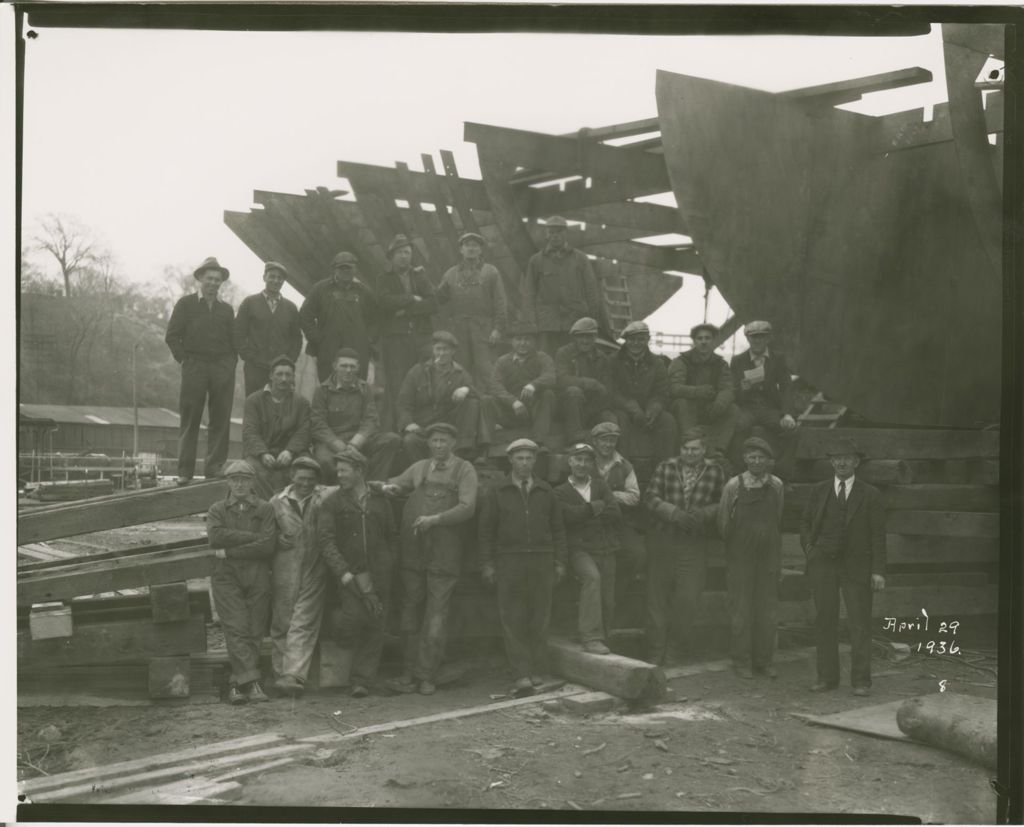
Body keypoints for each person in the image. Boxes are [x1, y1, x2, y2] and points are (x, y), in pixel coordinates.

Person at [378, 422, 478, 695]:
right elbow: (397, 483)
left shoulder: (464, 469)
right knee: (410, 609)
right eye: (434, 441)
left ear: (453, 443)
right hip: (414, 551)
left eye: (443, 441)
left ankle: (427, 675)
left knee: (437, 614)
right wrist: (387, 488)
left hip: (444, 553)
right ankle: (409, 673)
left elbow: (468, 508)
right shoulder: (420, 467)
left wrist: (435, 520)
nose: (438, 446)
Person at [478, 438, 567, 696]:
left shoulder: (546, 490)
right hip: (509, 561)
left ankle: (538, 670)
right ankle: (521, 673)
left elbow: (558, 529)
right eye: (520, 458)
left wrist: (560, 561)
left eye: (529, 458)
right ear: (510, 460)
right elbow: (485, 531)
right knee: (512, 618)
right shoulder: (498, 490)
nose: (525, 463)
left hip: (542, 560)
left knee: (540, 617)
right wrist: (487, 564)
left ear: (535, 461)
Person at [800, 437, 887, 697]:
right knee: (825, 620)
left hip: (856, 567)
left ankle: (861, 681)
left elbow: (878, 535)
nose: (841, 462)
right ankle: (827, 678)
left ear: (856, 462)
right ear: (830, 462)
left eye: (846, 458)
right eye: (836, 458)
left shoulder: (870, 494)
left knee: (859, 623)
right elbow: (805, 523)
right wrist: (810, 549)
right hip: (823, 564)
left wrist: (878, 571)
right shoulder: (819, 490)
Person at [317, 446, 398, 697]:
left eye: (344, 470)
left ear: (359, 470)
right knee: (352, 618)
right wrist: (342, 571)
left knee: (376, 623)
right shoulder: (332, 502)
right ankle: (342, 652)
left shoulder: (380, 499)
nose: (339, 475)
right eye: (337, 470)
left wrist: (388, 561)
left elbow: (391, 535)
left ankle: (362, 680)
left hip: (379, 571)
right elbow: (326, 541)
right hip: (349, 573)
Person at [643, 427, 726, 665]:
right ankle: (655, 651)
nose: (690, 453)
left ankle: (675, 649)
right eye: (686, 449)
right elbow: (649, 498)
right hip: (664, 541)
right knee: (656, 599)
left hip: (694, 543)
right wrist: (673, 513)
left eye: (695, 449)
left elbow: (724, 502)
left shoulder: (715, 471)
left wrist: (704, 514)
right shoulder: (666, 467)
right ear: (680, 449)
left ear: (704, 449)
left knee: (688, 599)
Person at [206, 460, 277, 705]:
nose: (239, 484)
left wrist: (232, 550)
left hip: (257, 574)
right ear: (227, 482)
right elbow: (216, 537)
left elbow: (268, 546)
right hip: (226, 575)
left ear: (252, 481)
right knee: (236, 628)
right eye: (234, 479)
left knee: (255, 630)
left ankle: (236, 683)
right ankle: (253, 684)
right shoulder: (217, 509)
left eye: (244, 479)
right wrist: (253, 538)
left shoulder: (266, 509)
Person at [164, 256, 236, 485]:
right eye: (210, 278)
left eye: (218, 280)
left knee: (221, 418)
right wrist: (185, 360)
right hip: (195, 365)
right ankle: (185, 471)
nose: (214, 283)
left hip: (222, 368)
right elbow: (172, 336)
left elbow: (233, 341)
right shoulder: (185, 304)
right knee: (190, 417)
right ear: (200, 279)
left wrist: (229, 364)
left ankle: (214, 467)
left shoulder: (226, 310)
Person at [717, 437, 784, 679]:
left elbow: (778, 517)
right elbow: (723, 522)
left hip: (767, 556)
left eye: (761, 458)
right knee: (741, 610)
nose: (756, 462)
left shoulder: (776, 485)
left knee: (766, 610)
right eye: (752, 457)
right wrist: (737, 548)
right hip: (740, 556)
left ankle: (764, 661)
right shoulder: (734, 485)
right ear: (745, 459)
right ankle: (741, 661)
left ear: (768, 461)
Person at [269, 456, 334, 697]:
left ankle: (293, 675)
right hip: (285, 566)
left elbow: (352, 486)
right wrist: (276, 539)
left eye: (311, 479)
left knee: (303, 619)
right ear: (292, 478)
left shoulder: (324, 496)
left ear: (317, 480)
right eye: (301, 479)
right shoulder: (277, 502)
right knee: (282, 621)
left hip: (314, 565)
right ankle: (280, 675)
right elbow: (266, 532)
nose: (306, 483)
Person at [555, 442, 622, 655]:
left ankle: (605, 639)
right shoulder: (560, 491)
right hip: (579, 550)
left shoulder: (601, 485)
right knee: (592, 578)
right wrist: (594, 508)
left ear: (592, 464)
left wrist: (582, 513)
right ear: (570, 461)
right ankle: (591, 637)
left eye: (587, 460)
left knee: (607, 598)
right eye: (578, 459)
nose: (582, 465)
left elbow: (615, 513)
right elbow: (566, 516)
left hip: (605, 546)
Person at [395, 330, 491, 463]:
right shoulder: (418, 371)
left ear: (453, 351)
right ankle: (421, 474)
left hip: (448, 426)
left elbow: (479, 396)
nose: (441, 353)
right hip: (422, 427)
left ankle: (460, 455)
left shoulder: (460, 373)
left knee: (472, 403)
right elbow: (403, 402)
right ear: (432, 350)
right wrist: (408, 423)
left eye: (446, 349)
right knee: (410, 441)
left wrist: (466, 389)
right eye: (438, 349)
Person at [523, 216, 613, 355]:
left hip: (575, 322)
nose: (555, 236)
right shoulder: (536, 261)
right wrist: (531, 322)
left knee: (574, 359)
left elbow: (592, 291)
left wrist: (591, 320)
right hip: (547, 324)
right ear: (546, 235)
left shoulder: (580, 259)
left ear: (566, 234)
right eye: (551, 232)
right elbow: (529, 293)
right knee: (546, 358)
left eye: (559, 232)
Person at [310, 348, 401, 483]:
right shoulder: (322, 391)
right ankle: (337, 494)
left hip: (358, 439)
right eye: (344, 366)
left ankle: (373, 485)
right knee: (325, 461)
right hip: (332, 440)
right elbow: (318, 423)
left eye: (352, 366)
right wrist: (337, 444)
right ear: (335, 366)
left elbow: (371, 419)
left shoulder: (364, 389)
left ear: (358, 368)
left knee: (391, 439)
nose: (348, 370)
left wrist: (355, 443)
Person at [376, 234, 438, 424]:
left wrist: (405, 311)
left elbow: (433, 303)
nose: (404, 256)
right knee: (398, 383)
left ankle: (424, 424)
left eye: (407, 252)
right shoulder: (384, 278)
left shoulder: (420, 276)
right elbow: (384, 302)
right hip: (397, 339)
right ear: (391, 256)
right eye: (400, 253)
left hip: (421, 336)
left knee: (425, 379)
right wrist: (411, 298)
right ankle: (399, 426)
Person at [435, 232, 508, 388]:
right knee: (460, 369)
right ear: (461, 249)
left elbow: (500, 302)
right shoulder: (451, 273)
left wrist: (498, 329)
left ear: (481, 250)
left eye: (475, 246)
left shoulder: (491, 271)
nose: (471, 249)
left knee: (486, 369)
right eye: (467, 245)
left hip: (484, 329)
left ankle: (489, 406)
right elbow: (437, 300)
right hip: (459, 330)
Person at [730, 320, 798, 475]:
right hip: (747, 408)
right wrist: (742, 388)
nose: (758, 340)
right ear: (748, 339)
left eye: (762, 337)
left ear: (768, 338)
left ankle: (781, 475)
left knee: (792, 431)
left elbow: (787, 386)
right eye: (754, 337)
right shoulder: (738, 360)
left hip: (770, 408)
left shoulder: (778, 358)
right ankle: (740, 473)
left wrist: (787, 414)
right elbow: (732, 390)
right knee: (738, 427)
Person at [299, 251, 377, 381]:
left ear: (355, 269)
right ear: (334, 269)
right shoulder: (320, 289)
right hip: (328, 351)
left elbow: (376, 319)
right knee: (328, 387)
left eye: (349, 268)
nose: (346, 271)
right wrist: (318, 340)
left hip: (358, 351)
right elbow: (305, 316)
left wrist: (368, 339)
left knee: (357, 389)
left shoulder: (364, 292)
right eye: (342, 268)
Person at [241, 355, 312, 499]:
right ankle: (270, 508)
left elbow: (304, 431)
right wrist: (262, 453)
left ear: (293, 377)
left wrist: (290, 451)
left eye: (288, 375)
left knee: (308, 467)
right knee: (252, 470)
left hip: (291, 453)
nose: (284, 379)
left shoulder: (301, 403)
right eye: (279, 374)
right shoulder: (254, 400)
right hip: (261, 453)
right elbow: (250, 432)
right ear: (271, 376)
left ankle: (297, 507)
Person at [608, 321, 677, 466]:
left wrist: (654, 409)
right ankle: (621, 467)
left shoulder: (657, 363)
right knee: (621, 421)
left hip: (647, 408)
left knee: (667, 420)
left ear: (647, 340)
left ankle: (664, 469)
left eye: (640, 339)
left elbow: (662, 391)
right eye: (632, 340)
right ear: (626, 341)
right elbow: (611, 391)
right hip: (622, 407)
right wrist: (631, 408)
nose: (636, 344)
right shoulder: (614, 361)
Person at [668, 323, 738, 456]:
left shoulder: (721, 364)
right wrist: (697, 391)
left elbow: (728, 387)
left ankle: (718, 450)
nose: (703, 342)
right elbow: (673, 388)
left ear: (713, 340)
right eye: (699, 338)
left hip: (710, 408)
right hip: (687, 407)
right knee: (682, 403)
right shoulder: (682, 361)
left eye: (707, 338)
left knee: (733, 409)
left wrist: (721, 402)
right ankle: (692, 445)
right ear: (694, 341)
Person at [482, 321, 557, 446]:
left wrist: (534, 385)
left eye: (527, 339)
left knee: (548, 394)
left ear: (534, 341)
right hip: (511, 413)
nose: (523, 343)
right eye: (518, 339)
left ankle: (539, 442)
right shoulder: (503, 361)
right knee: (486, 400)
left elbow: (551, 376)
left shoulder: (542, 357)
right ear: (512, 342)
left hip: (535, 414)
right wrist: (513, 402)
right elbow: (494, 385)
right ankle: (484, 447)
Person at [591, 420, 647, 587]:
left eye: (612, 440)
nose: (608, 444)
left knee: (638, 554)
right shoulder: (585, 460)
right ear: (595, 441)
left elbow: (634, 496)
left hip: (617, 521)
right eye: (604, 440)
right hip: (589, 520)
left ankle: (616, 588)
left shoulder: (624, 465)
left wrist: (611, 496)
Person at [234, 261, 303, 397]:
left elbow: (297, 338)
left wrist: (288, 362)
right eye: (272, 276)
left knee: (280, 407)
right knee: (254, 404)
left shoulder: (291, 308)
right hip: (255, 367)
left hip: (281, 371)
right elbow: (238, 332)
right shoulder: (250, 303)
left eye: (279, 278)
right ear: (264, 277)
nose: (275, 280)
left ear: (284, 281)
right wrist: (248, 356)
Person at [555, 317, 616, 439]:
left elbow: (607, 390)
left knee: (611, 420)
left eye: (589, 337)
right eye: (580, 336)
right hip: (567, 406)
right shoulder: (564, 353)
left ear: (595, 338)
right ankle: (574, 440)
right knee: (574, 392)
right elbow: (561, 379)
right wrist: (589, 383)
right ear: (575, 338)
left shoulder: (602, 358)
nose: (584, 340)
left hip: (592, 407)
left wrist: (590, 411)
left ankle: (610, 453)